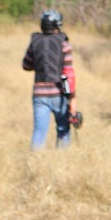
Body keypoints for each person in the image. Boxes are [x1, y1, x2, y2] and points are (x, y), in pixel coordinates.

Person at [21, 9, 77, 150]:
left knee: (39, 132)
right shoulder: (64, 43)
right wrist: (73, 99)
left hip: (39, 94)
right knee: (63, 130)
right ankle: (62, 164)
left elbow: (26, 65)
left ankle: (36, 166)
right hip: (59, 93)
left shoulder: (35, 41)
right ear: (57, 25)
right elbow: (69, 73)